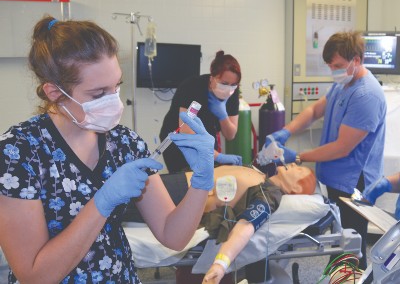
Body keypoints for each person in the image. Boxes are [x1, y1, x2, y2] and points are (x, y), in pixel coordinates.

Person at [0, 16, 216, 284]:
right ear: (54, 92)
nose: (114, 102)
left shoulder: (124, 144)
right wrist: (102, 202)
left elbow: (173, 235)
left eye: (116, 86)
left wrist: (202, 181)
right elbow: (34, 275)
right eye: (98, 93)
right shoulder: (19, 153)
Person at [257, 30, 387, 270]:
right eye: (330, 66)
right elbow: (316, 110)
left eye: (337, 65)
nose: (333, 71)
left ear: (356, 60)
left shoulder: (366, 95)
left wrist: (296, 156)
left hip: (354, 181)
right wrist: (286, 131)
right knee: (341, 243)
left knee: (351, 246)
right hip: (337, 176)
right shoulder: (344, 83)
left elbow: (342, 148)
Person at [123, 163, 317, 284]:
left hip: (180, 195)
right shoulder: (262, 176)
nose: (294, 163)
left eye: (299, 169)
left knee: (115, 200)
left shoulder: (270, 195)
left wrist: (220, 264)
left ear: (296, 187)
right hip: (182, 183)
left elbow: (246, 226)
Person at [159, 50, 243, 173]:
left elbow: (230, 135)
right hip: (178, 142)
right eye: (224, 83)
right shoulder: (193, 87)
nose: (228, 89)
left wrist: (223, 116)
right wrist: (217, 156)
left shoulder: (232, 94)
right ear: (212, 77)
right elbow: (186, 131)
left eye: (233, 84)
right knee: (186, 179)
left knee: (208, 178)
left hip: (206, 139)